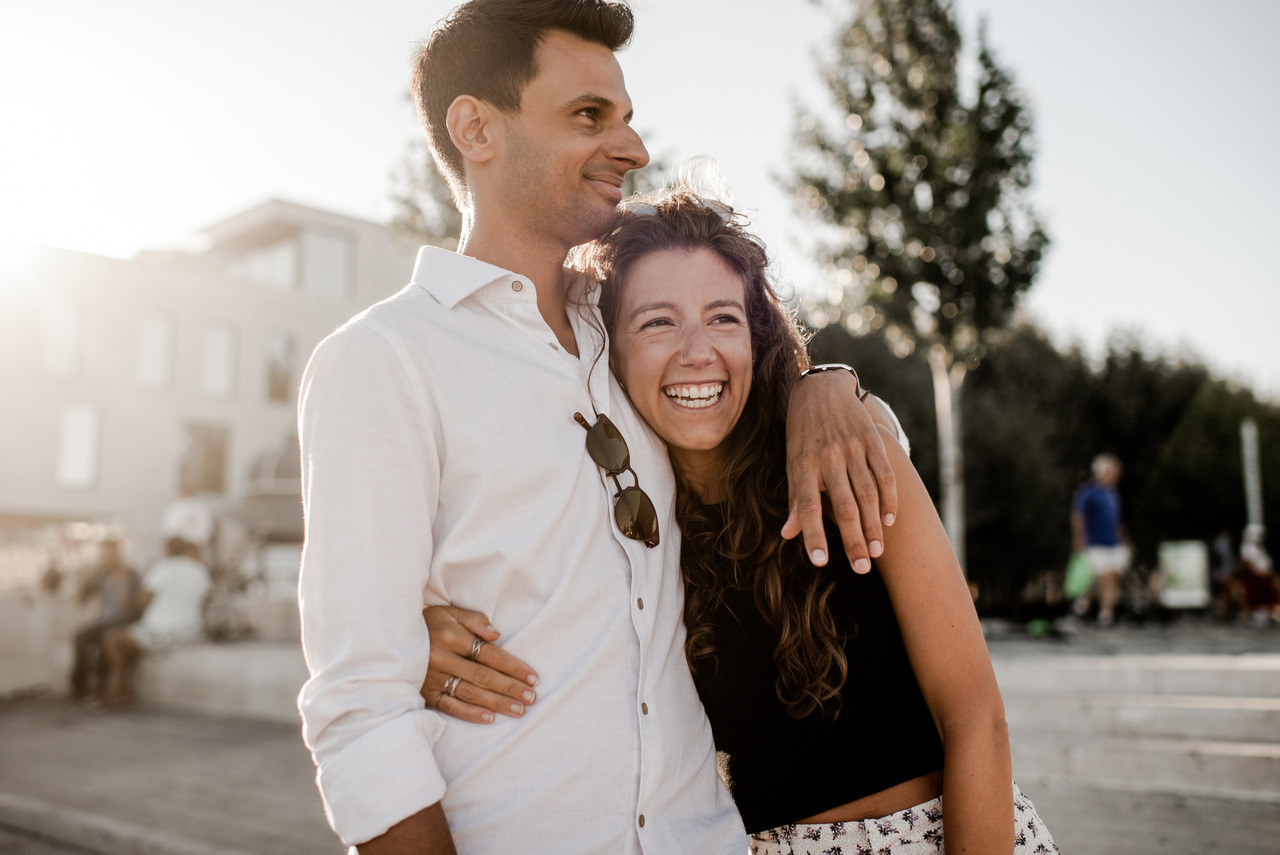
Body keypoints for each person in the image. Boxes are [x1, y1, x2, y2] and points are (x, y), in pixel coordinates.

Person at [296, 2, 896, 853]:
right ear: (475, 128)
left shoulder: (634, 338)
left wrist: (816, 382)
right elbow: (360, 702)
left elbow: (766, 401)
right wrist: (403, 636)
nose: (634, 150)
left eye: (628, 119)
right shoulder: (384, 359)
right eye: (589, 116)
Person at [424, 186, 1059, 853]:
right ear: (610, 351)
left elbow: (976, 718)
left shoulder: (844, 454)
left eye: (722, 318)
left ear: (757, 337)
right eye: (657, 322)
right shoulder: (623, 523)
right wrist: (420, 630)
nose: (697, 351)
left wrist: (828, 380)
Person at [102, 536, 210, 707]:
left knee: (114, 639)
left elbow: (143, 603)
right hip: (191, 629)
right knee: (130, 639)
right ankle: (124, 688)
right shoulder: (199, 569)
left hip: (162, 630)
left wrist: (129, 603)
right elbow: (205, 602)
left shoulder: (161, 568)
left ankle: (122, 689)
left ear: (166, 550)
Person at [70, 535, 144, 701]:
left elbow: (141, 606)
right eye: (105, 555)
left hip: (127, 619)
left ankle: (102, 686)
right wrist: (88, 575)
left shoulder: (133, 575)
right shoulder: (101, 576)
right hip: (105, 620)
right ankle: (78, 687)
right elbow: (80, 600)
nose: (108, 558)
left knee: (106, 637)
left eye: (112, 554)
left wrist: (130, 603)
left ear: (119, 554)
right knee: (80, 636)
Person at [1070, 453, 1129, 627]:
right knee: (1103, 577)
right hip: (1095, 543)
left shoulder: (1112, 492)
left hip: (1114, 543)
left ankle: (1103, 613)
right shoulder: (1089, 492)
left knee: (1113, 576)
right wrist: (1079, 539)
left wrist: (1121, 536)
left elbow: (1115, 519)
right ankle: (1094, 608)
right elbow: (1078, 516)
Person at [1237, 524, 1278, 626]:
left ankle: (1266, 615)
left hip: (1263, 576)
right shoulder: (1248, 547)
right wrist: (1257, 572)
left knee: (1269, 596)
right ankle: (1255, 616)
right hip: (1256, 577)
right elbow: (1246, 562)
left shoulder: (1259, 546)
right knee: (1257, 597)